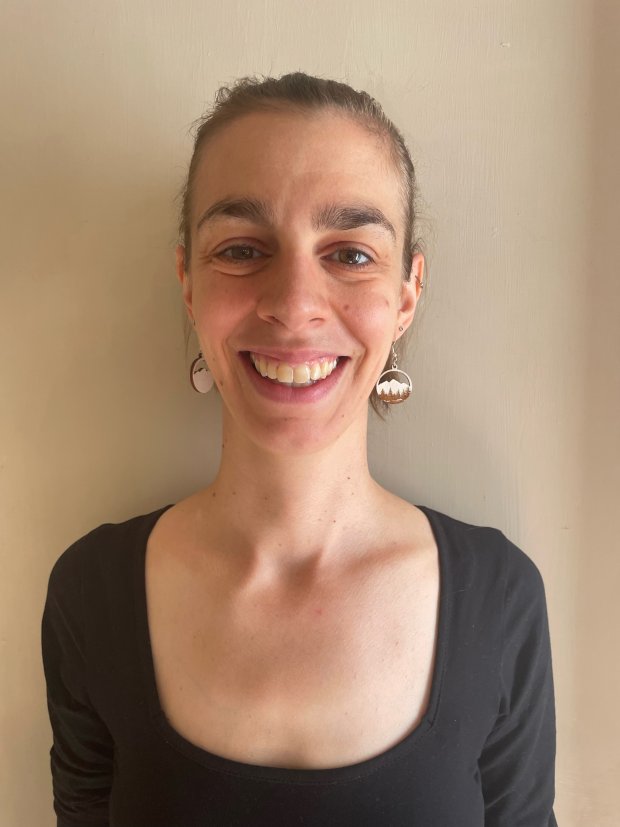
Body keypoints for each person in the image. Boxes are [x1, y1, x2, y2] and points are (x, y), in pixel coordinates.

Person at [41, 72, 557, 826]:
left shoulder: (500, 600)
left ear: (408, 293)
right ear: (187, 279)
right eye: (243, 248)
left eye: (350, 254)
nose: (294, 302)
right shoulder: (91, 595)